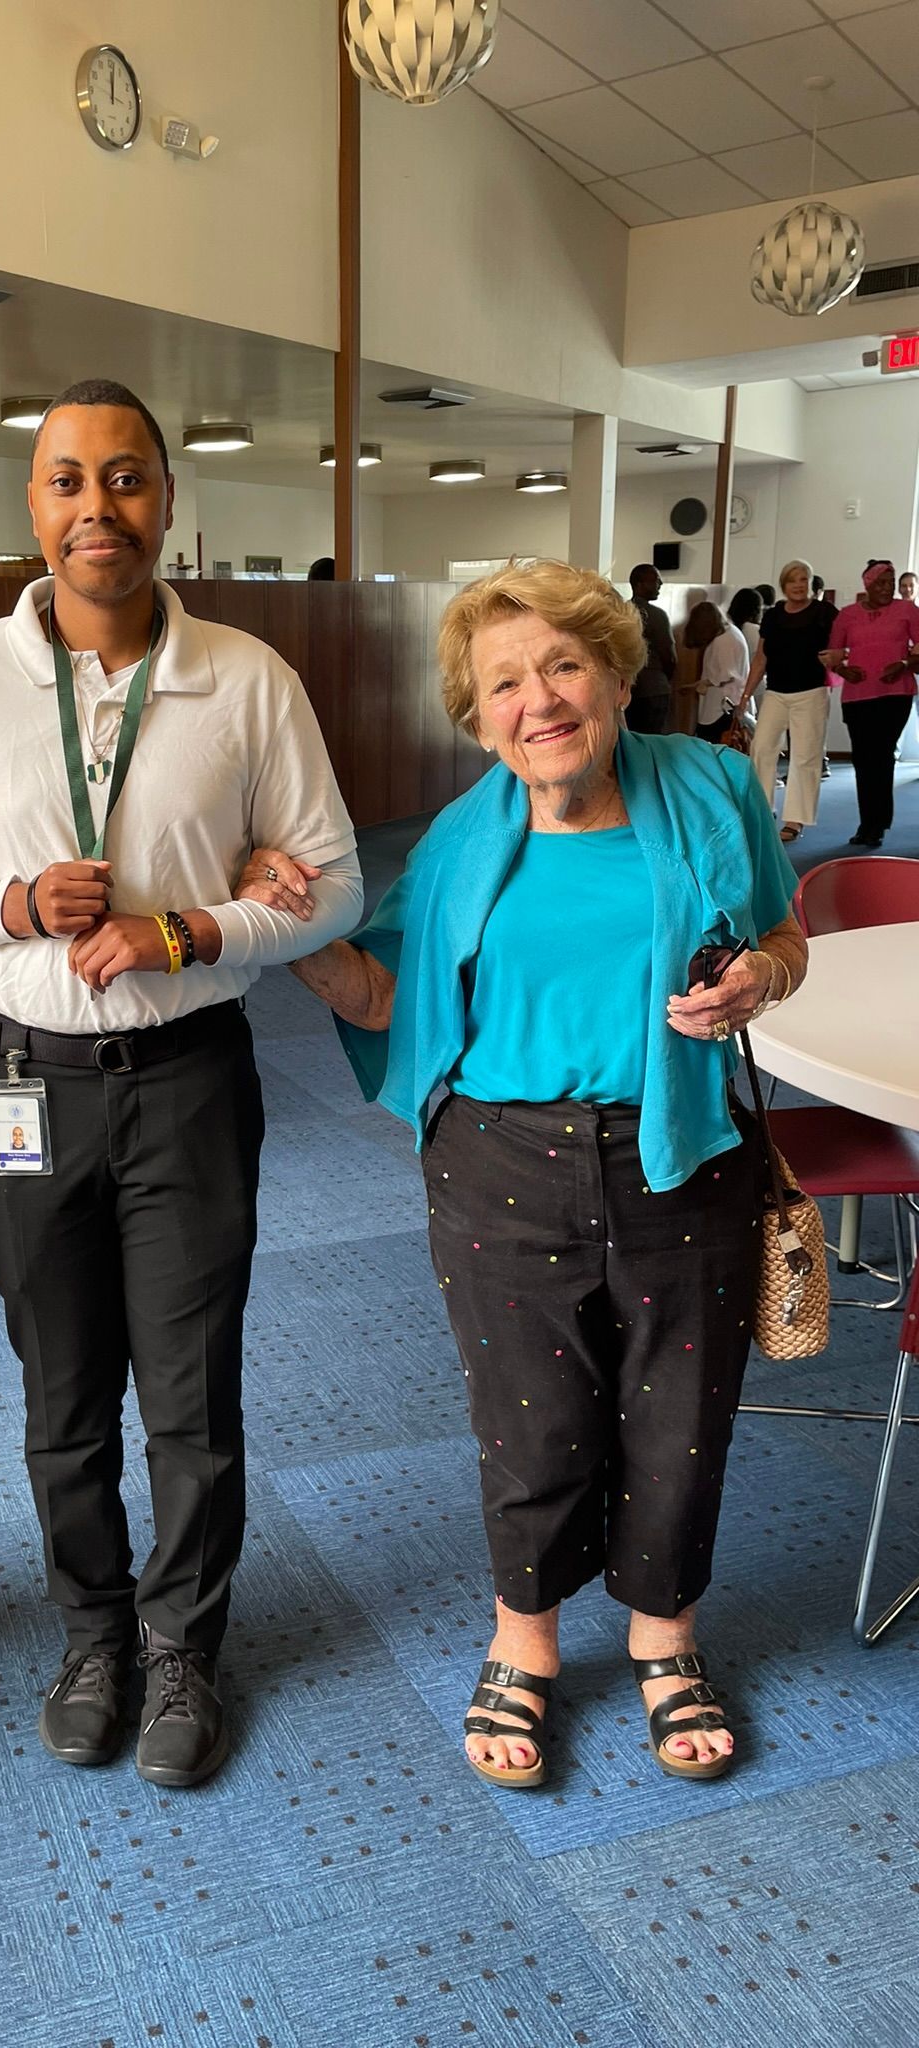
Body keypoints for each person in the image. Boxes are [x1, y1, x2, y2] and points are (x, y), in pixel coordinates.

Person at [0, 379, 362, 1788]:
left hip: (192, 1074)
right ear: (32, 505)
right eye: (68, 480)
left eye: (129, 479)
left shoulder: (249, 678)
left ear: (166, 497)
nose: (100, 508)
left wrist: (199, 927)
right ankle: (93, 1637)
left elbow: (328, 881)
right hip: (27, 1076)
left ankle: (184, 1649)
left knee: (192, 1394)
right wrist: (17, 902)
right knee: (61, 1386)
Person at [282, 559, 806, 1789]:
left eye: (564, 664)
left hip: (681, 1147)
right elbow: (388, 995)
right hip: (499, 1161)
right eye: (503, 683)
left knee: (680, 1413)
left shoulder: (713, 788)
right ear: (478, 719)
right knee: (531, 1422)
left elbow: (783, 931)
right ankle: (526, 1636)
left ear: (618, 676)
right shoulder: (462, 840)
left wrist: (761, 979)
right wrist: (302, 939)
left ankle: (664, 1633)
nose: (540, 700)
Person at [821, 559, 919, 847]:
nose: (888, 588)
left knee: (882, 754)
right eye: (881, 583)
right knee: (863, 759)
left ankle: (878, 824)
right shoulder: (847, 615)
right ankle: (867, 821)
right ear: (867, 584)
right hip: (857, 695)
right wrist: (843, 670)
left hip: (895, 693)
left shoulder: (907, 611)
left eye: (891, 582)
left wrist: (903, 663)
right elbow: (834, 654)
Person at [747, 560, 837, 843]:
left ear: (811, 584)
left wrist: (837, 658)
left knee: (805, 756)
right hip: (776, 691)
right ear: (783, 585)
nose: (799, 585)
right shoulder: (773, 616)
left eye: (804, 580)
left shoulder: (824, 612)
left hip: (811, 692)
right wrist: (745, 693)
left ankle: (796, 820)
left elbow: (843, 645)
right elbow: (761, 657)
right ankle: (763, 809)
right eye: (793, 580)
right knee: (761, 748)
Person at [682, 600, 750, 742]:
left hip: (722, 708)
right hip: (728, 704)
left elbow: (726, 675)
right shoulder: (730, 632)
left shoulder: (723, 641)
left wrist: (703, 683)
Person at [624, 564, 674, 734]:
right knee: (653, 742)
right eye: (655, 580)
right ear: (638, 584)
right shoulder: (656, 615)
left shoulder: (619, 611)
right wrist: (665, 679)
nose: (660, 584)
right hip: (653, 689)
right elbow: (669, 657)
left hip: (625, 688)